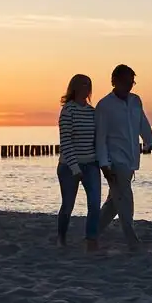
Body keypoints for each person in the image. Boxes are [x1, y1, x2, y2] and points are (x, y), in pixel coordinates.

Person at [94, 63, 152, 249]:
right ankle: (133, 242)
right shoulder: (104, 106)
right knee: (126, 200)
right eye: (126, 82)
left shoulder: (136, 101)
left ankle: (91, 233)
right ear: (114, 81)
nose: (129, 86)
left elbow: (144, 126)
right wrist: (104, 166)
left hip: (131, 160)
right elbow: (100, 138)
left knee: (113, 203)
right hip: (114, 162)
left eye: (132, 82)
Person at [56, 74, 101, 248]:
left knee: (94, 204)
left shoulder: (92, 112)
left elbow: (96, 139)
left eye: (88, 84)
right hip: (68, 166)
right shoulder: (68, 110)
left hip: (91, 164)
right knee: (68, 206)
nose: (86, 87)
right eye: (82, 84)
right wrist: (75, 167)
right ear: (74, 87)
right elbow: (65, 141)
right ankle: (61, 238)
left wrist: (100, 161)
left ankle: (91, 240)